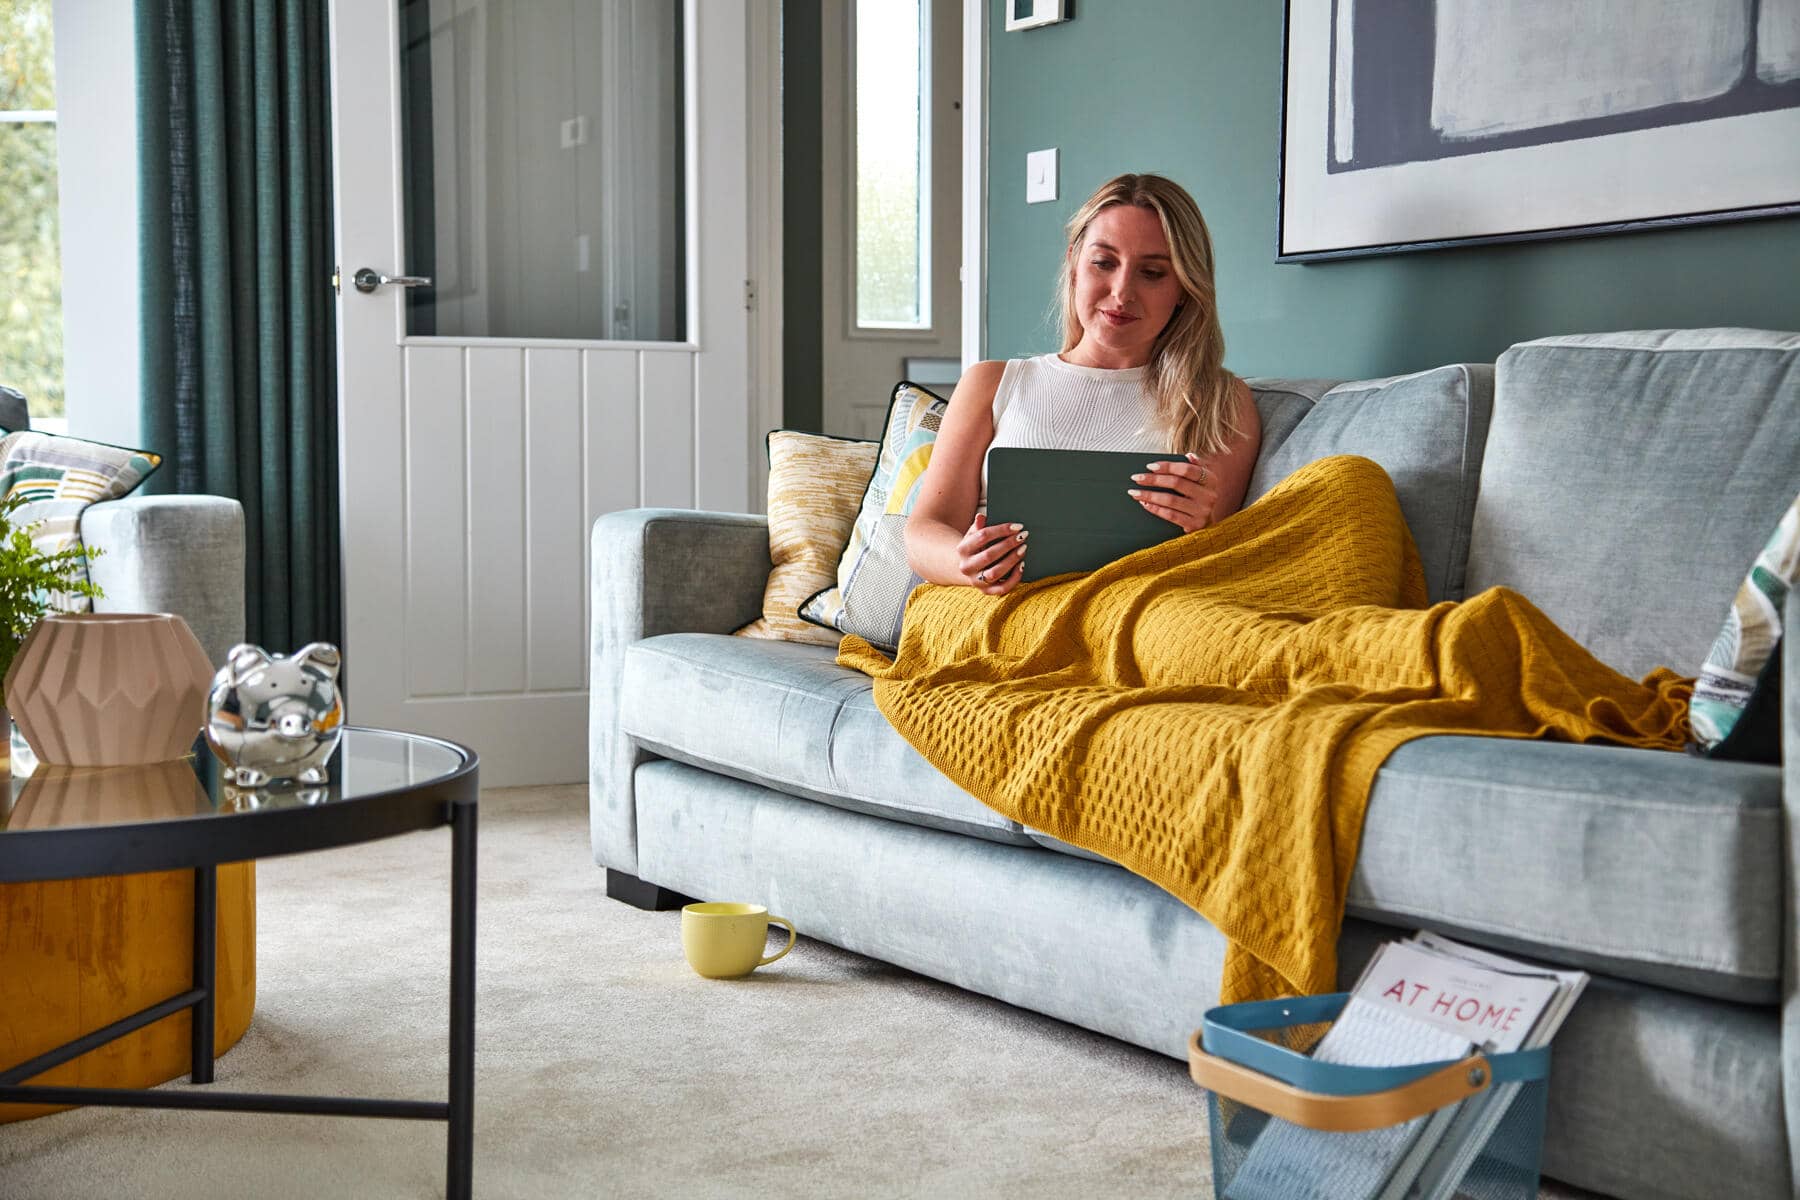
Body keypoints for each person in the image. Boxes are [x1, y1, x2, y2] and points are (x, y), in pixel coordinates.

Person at [905, 173, 1262, 595]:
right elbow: (925, 531)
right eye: (1104, 263)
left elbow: (1217, 562)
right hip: (995, 600)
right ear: (1074, 263)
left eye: (1152, 273)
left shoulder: (1220, 401)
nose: (1122, 292)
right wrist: (967, 562)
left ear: (1184, 287)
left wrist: (1205, 524)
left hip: (1133, 605)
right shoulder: (992, 382)